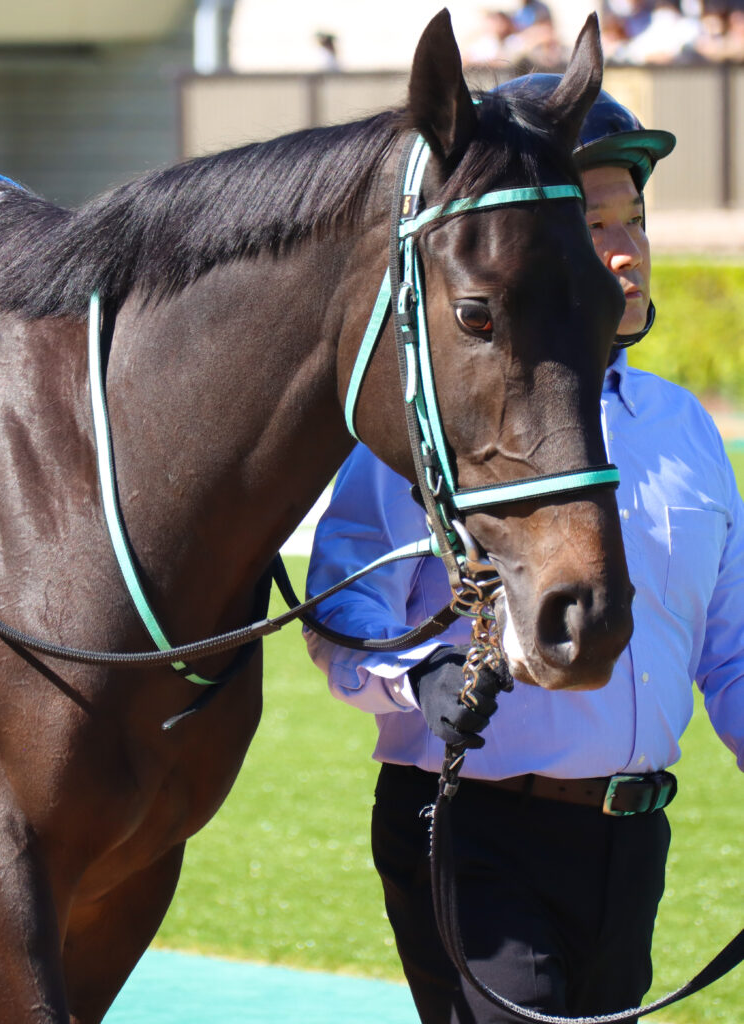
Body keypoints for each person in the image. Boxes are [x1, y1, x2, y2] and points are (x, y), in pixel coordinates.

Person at [304, 78, 744, 1023]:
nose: (623, 249)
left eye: (633, 220)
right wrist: (415, 682)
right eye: (592, 222)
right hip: (473, 835)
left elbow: (733, 650)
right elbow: (340, 608)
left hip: (632, 845)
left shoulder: (684, 429)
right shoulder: (445, 425)